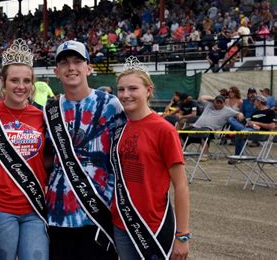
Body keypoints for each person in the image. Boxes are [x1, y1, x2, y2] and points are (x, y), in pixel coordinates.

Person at [44, 40, 126, 260]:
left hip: (99, 211)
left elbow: (124, 155)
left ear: (89, 67)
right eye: (64, 62)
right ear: (56, 71)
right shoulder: (50, 110)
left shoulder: (111, 105)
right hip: (58, 212)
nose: (71, 67)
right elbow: (46, 158)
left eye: (77, 61)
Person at [0, 39, 50, 260]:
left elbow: (48, 159)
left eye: (26, 80)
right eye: (14, 80)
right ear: (3, 82)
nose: (21, 86)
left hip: (34, 207)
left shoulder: (43, 116)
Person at [111, 56, 190, 260]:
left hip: (153, 226)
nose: (126, 94)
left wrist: (182, 235)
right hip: (121, 224)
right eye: (121, 89)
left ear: (148, 90)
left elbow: (180, 185)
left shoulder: (164, 130)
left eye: (133, 88)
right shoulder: (118, 129)